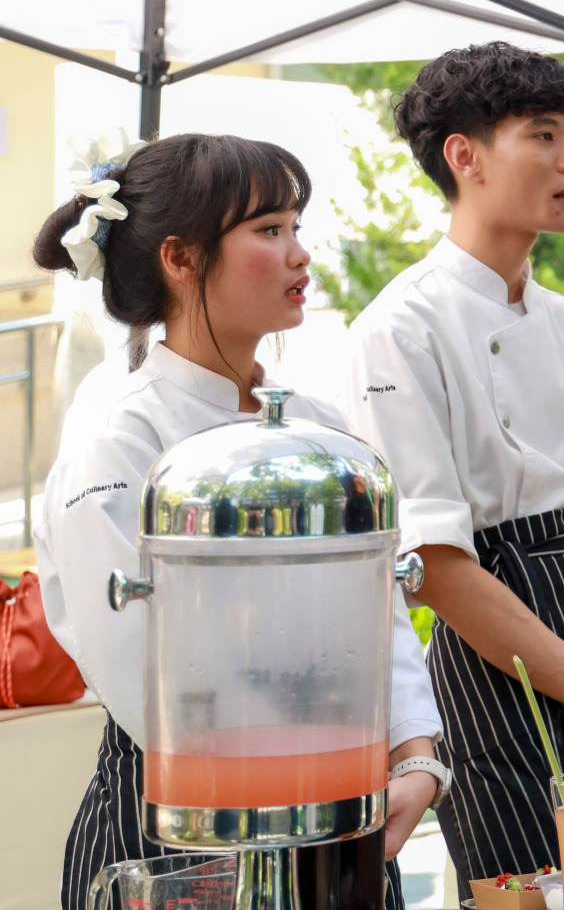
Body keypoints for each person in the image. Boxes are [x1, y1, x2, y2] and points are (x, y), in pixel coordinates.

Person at [33, 132, 445, 910]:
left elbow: (375, 614)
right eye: (269, 229)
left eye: (297, 226)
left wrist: (416, 756)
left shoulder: (321, 426)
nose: (299, 254)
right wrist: (314, 761)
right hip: (183, 824)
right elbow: (136, 663)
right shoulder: (120, 435)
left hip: (343, 807)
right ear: (181, 259)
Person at [341, 44, 564, 900]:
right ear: (464, 156)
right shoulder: (399, 328)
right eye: (544, 135)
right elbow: (438, 564)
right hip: (498, 664)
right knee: (531, 896)